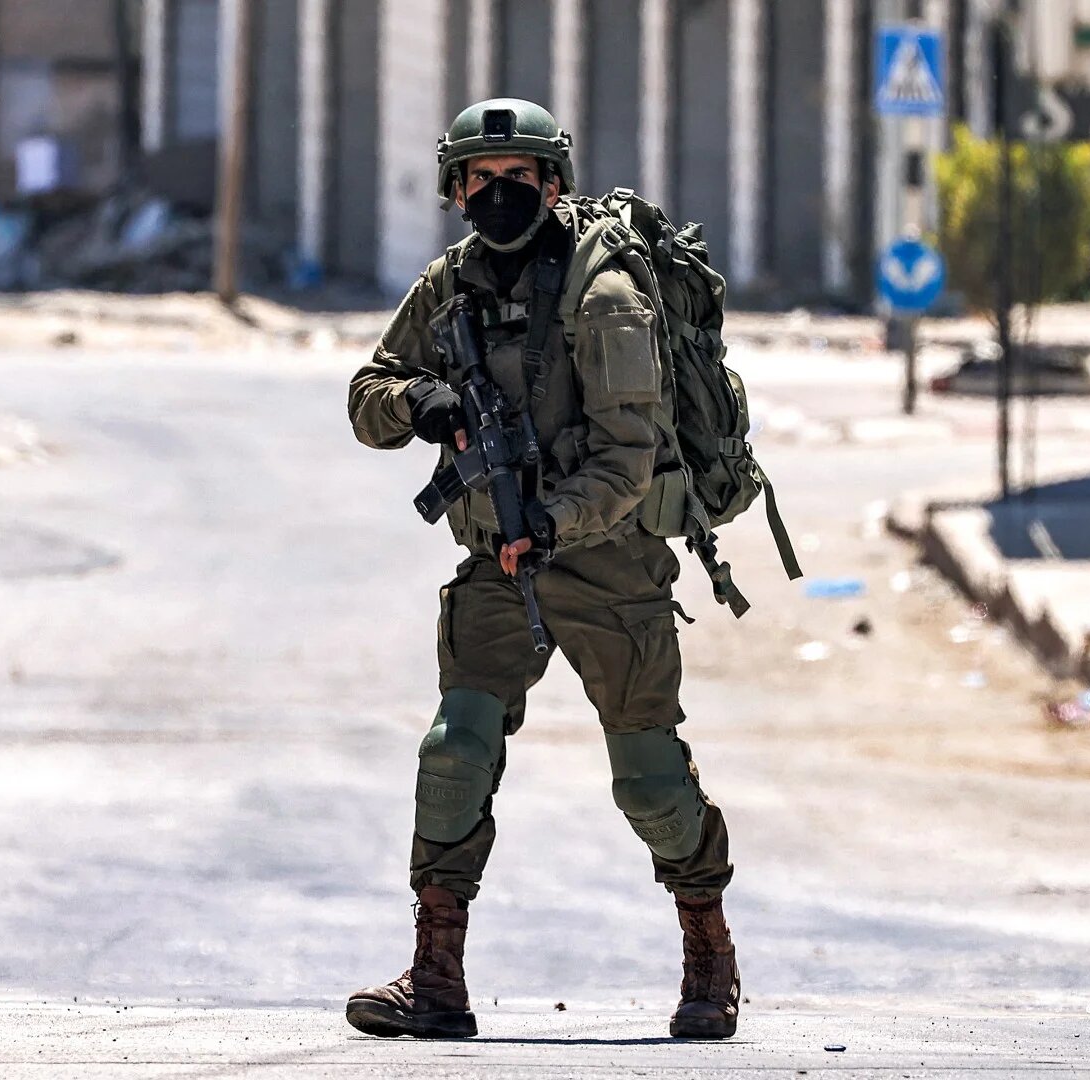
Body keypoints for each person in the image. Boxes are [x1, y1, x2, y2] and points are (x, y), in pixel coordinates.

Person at [343, 99, 740, 1041]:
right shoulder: (450, 285)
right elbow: (365, 398)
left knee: (648, 780)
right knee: (453, 753)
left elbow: (629, 456)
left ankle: (709, 949)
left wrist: (552, 526)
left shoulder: (603, 298)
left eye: (517, 177)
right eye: (480, 179)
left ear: (553, 184)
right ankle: (435, 976)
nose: (498, 193)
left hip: (609, 567)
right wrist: (422, 402)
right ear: (455, 190)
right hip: (492, 563)